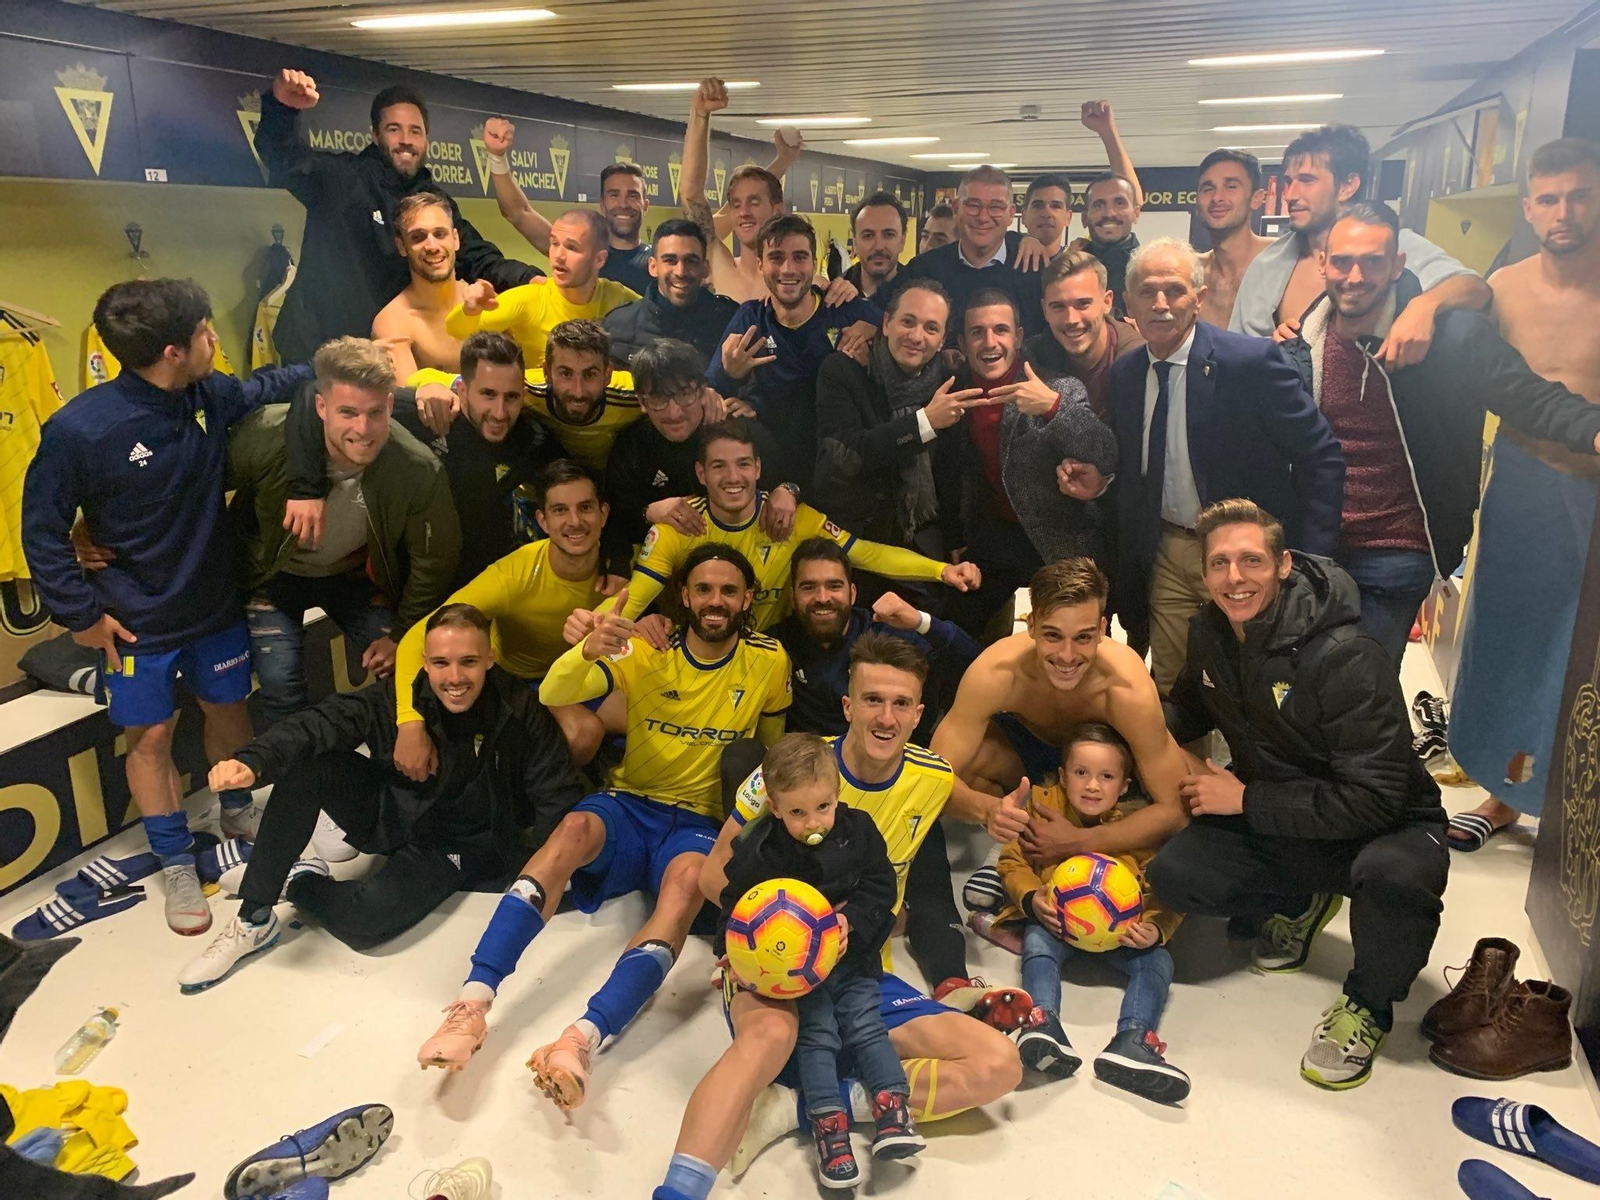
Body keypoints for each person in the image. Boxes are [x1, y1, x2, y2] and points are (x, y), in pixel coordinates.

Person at [415, 546, 791, 1112]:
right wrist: (582, 651)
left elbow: (769, 749)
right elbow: (551, 694)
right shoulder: (648, 644)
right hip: (631, 801)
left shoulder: (769, 659)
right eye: (704, 590)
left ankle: (581, 1040)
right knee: (569, 832)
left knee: (686, 888)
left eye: (729, 591)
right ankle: (472, 1005)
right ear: (684, 596)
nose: (716, 602)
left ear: (746, 600)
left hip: (699, 820)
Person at [653, 634, 1022, 1200]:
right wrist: (768, 928)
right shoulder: (793, 771)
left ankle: (802, 1108)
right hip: (771, 961)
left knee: (999, 1064)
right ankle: (677, 1191)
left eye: (902, 704)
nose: (886, 716)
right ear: (848, 706)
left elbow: (969, 805)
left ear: (919, 714)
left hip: (857, 971)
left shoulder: (933, 776)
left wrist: (998, 815)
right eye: (872, 700)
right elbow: (714, 872)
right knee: (771, 1037)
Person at [22, 279, 310, 935]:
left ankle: (236, 806)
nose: (217, 341)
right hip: (134, 621)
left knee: (227, 709)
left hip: (213, 607)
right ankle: (176, 858)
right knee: (149, 736)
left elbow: (269, 386)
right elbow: (40, 527)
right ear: (175, 351)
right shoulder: (80, 430)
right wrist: (81, 616)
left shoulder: (209, 394)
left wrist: (335, 364)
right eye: (208, 333)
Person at [1148, 498, 1449, 1090]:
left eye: (1251, 560)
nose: (1235, 579)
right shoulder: (1209, 630)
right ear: (1203, 573)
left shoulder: (1346, 656)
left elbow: (1378, 796)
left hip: (1388, 825)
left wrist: (1247, 803)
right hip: (1286, 809)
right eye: (1219, 564)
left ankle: (1368, 1005)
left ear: (1284, 564)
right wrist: (1114, 712)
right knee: (1179, 873)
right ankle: (1305, 898)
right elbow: (1187, 707)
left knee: (1396, 878)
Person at [176, 603, 581, 991]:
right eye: (441, 663)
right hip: (395, 812)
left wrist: (543, 876)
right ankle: (254, 917)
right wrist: (253, 761)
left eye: (468, 662)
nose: (454, 677)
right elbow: (320, 723)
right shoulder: (397, 700)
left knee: (366, 920)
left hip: (454, 845)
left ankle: (299, 880)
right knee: (308, 765)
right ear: (424, 661)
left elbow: (554, 793)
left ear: (490, 659)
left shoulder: (518, 709)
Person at [1279, 201, 1600, 665]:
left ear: (1397, 265)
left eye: (1372, 261)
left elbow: (1530, 397)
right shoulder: (1303, 343)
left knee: (1361, 689)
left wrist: (1592, 429)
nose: (1355, 276)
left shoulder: (1452, 339)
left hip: (1399, 548)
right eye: (1344, 261)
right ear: (1324, 263)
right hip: (1316, 546)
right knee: (1306, 682)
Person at [1447, 138, 1600, 848]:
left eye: (1579, 195)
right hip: (1524, 484)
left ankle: (1576, 805)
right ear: (1529, 208)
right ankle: (1501, 787)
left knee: (1585, 652)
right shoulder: (1503, 287)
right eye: (1550, 198)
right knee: (1508, 637)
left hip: (1595, 491)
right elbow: (1449, 304)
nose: (1564, 211)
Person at [1108, 238, 1344, 692]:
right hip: (1169, 552)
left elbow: (1321, 455)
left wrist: (1313, 559)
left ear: (1198, 298)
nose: (1160, 304)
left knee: (1256, 685)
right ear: (1127, 302)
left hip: (1244, 557)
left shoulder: (1249, 363)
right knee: (1173, 688)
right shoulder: (1126, 373)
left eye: (1174, 291)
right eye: (1146, 291)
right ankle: (1183, 764)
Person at [772, 541, 989, 1003]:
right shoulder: (779, 642)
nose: (822, 597)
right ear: (793, 596)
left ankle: (954, 982)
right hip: (815, 786)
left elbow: (979, 663)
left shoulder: (884, 637)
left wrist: (921, 621)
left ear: (853, 591)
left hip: (893, 772)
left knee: (926, 863)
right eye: (809, 587)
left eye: (834, 585)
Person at [715, 734, 919, 1187]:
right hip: (794, 975)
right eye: (797, 813)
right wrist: (728, 954)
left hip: (852, 959)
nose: (814, 822)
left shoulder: (859, 830)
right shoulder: (761, 847)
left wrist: (854, 925)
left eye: (823, 808)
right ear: (774, 806)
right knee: (818, 1034)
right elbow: (735, 905)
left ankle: (892, 1108)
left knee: (867, 1024)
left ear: (837, 795)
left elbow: (881, 888)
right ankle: (829, 1126)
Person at [229, 337, 460, 725]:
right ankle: (301, 780)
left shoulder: (416, 467)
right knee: (280, 682)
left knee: (408, 666)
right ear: (321, 407)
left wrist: (403, 632)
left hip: (349, 575)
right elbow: (198, 484)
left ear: (390, 405)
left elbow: (433, 560)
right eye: (348, 412)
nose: (363, 428)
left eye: (374, 412)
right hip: (272, 574)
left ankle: (402, 767)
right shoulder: (268, 434)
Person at [254, 69, 537, 363]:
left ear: (426, 140)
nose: (405, 140)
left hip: (390, 352)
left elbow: (476, 256)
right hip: (320, 350)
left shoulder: (434, 202)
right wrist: (281, 108)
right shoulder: (341, 180)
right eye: (394, 129)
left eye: (415, 131)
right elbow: (285, 158)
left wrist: (530, 280)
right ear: (375, 135)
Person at [606, 419, 979, 631]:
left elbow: (865, 554)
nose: (733, 477)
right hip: (696, 652)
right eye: (719, 466)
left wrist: (941, 569)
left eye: (743, 464)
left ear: (759, 469)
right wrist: (598, 625)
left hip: (769, 655)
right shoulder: (681, 522)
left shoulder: (790, 516)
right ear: (701, 473)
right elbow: (634, 597)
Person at [930, 558, 1193, 856]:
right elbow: (932, 776)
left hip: (1104, 764)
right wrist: (988, 810)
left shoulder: (1126, 688)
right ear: (1030, 625)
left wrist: (1080, 842)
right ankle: (1018, 834)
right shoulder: (996, 674)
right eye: (1053, 635)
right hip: (1027, 757)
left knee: (1183, 788)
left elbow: (1175, 811)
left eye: (1083, 637)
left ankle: (1061, 828)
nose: (1067, 656)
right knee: (966, 769)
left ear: (1103, 629)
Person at [995, 723, 1189, 1102]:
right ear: (1064, 777)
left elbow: (1167, 894)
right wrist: (1032, 898)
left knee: (1158, 961)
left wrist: (1154, 928)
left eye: (1106, 776)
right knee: (1037, 939)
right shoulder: (1041, 806)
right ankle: (1042, 1022)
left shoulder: (1140, 827)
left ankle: (1133, 1039)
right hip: (1060, 927)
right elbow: (1012, 861)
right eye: (1081, 773)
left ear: (1125, 784)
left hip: (1120, 937)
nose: (1093, 785)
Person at [390, 460, 620, 774]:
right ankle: (529, 803)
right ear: (542, 520)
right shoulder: (513, 575)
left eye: (585, 508)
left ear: (604, 514)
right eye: (560, 510)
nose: (575, 521)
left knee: (652, 712)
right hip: (524, 682)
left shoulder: (623, 566)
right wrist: (410, 723)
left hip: (589, 674)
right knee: (582, 733)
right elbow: (419, 635)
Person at [934, 290, 1119, 636]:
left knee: (1077, 637)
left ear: (1018, 336)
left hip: (1061, 538)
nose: (990, 342)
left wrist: (1053, 407)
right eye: (977, 332)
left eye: (1001, 330)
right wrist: (954, 537)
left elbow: (1105, 451)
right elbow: (947, 472)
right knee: (950, 627)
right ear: (961, 341)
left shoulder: (1055, 385)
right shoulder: (950, 392)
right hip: (994, 539)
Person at [1229, 123, 1490, 364]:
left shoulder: (1392, 245)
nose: (1291, 195)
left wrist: (1424, 306)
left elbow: (1476, 289)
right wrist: (1271, 351)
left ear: (1347, 186)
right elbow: (1236, 352)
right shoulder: (1267, 265)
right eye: (1288, 182)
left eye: (1307, 181)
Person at [707, 215, 880, 488]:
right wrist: (730, 378)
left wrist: (878, 335)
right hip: (773, 469)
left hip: (842, 473)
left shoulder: (846, 309)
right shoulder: (751, 318)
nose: (788, 269)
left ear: (814, 263)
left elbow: (902, 341)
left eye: (799, 257)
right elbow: (711, 393)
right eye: (776, 257)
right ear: (761, 264)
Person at [813, 278, 972, 556]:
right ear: (886, 323)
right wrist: (924, 423)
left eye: (931, 328)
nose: (916, 336)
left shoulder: (948, 380)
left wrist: (955, 541)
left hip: (925, 536)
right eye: (908, 322)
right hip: (857, 540)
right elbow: (846, 457)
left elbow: (951, 474)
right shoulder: (844, 369)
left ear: (941, 341)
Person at [480, 115, 656, 295]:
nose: (623, 204)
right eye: (614, 195)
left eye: (633, 195)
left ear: (645, 205)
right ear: (602, 204)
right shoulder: (578, 251)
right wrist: (496, 157)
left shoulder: (662, 262)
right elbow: (518, 213)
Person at [446, 209, 639, 368]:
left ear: (599, 259)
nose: (558, 256)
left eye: (572, 248)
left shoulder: (621, 300)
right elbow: (456, 330)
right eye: (554, 243)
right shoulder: (528, 299)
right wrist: (469, 309)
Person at [895, 166, 1044, 347]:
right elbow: (884, 314)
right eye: (973, 205)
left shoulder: (1034, 267)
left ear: (1011, 214)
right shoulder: (923, 269)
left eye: (995, 207)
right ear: (956, 208)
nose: (983, 217)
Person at [603, 219, 740, 368]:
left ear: (705, 268)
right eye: (670, 260)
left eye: (691, 261)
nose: (680, 272)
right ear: (653, 266)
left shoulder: (731, 322)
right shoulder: (617, 326)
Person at [370, 194, 472, 383]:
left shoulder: (481, 301)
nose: (432, 246)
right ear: (402, 246)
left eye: (440, 234)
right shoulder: (394, 322)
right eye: (418, 237)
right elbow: (412, 403)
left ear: (456, 239)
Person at [522, 319, 646, 471]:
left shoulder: (638, 396)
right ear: (546, 372)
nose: (578, 391)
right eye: (566, 373)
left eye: (590, 374)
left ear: (607, 374)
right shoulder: (522, 392)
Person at [1194, 149, 1276, 328]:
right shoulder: (1191, 273)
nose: (1217, 198)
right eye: (1208, 189)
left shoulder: (1282, 262)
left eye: (1231, 186)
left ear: (1256, 199)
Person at [842, 193, 908, 300]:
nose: (879, 246)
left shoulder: (919, 299)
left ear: (902, 241)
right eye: (868, 236)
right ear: (855, 244)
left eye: (889, 235)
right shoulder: (835, 301)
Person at [1020, 175, 1074, 264]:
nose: (1046, 214)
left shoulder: (1077, 267)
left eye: (1055, 206)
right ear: (1024, 216)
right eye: (1037, 206)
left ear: (1068, 217)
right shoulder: (1005, 260)